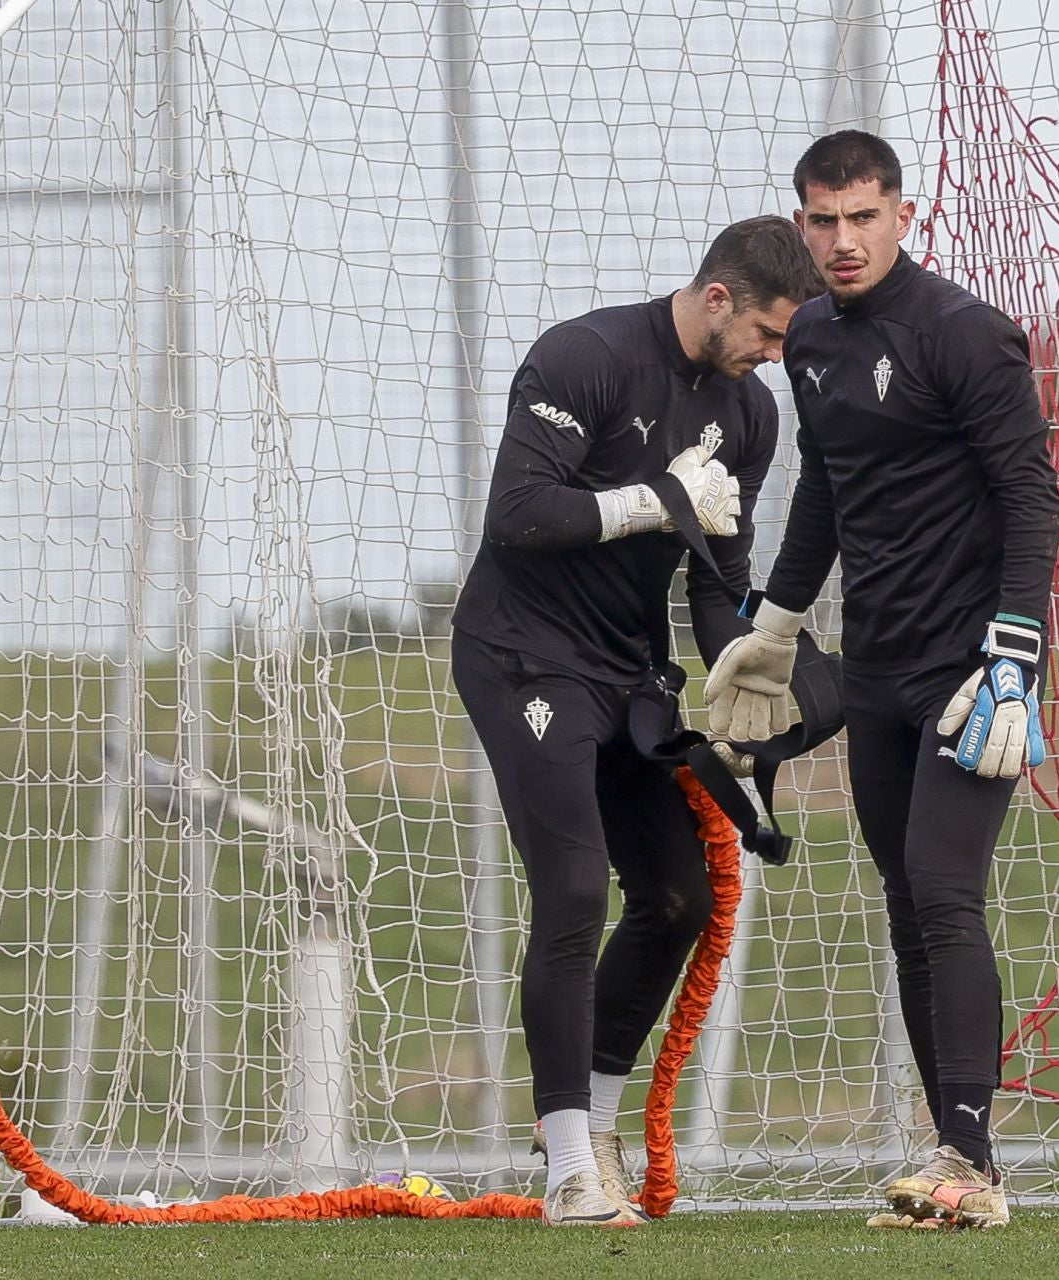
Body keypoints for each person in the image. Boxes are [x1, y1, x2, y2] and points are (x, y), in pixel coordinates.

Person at [706, 132, 1059, 1230]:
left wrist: (1013, 656)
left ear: (903, 214)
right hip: (878, 670)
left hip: (971, 672)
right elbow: (827, 486)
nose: (843, 240)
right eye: (823, 220)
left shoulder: (964, 334)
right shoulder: (806, 334)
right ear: (801, 224)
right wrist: (773, 620)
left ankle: (970, 1157)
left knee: (945, 891)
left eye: (863, 216)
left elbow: (1032, 500)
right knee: (908, 905)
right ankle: (959, 1149)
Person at [449, 216, 827, 1227]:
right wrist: (656, 496)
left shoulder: (751, 416)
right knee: (572, 887)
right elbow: (520, 516)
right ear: (717, 300)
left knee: (682, 895)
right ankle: (567, 1170)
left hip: (627, 669)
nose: (776, 357)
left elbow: (718, 575)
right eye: (770, 333)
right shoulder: (588, 356)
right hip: (519, 651)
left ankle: (595, 1130)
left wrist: (753, 661)